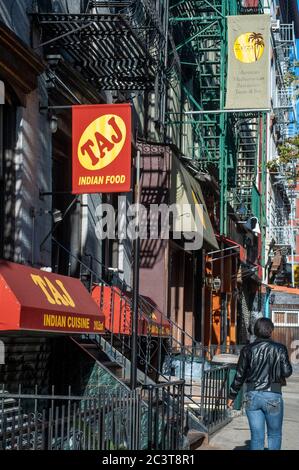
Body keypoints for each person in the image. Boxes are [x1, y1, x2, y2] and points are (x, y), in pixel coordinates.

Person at [228, 317, 292, 450]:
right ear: (271, 330)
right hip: (273, 395)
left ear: (255, 331)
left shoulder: (247, 349)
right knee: (274, 435)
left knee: (257, 437)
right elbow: (287, 372)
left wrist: (232, 396)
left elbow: (239, 375)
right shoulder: (280, 348)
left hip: (252, 395)